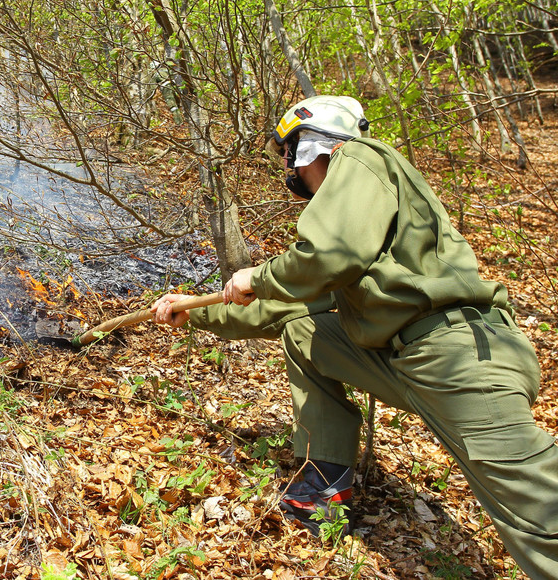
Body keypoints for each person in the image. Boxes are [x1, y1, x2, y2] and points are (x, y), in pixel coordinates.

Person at [151, 95, 558, 578]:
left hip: (459, 356)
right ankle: (324, 488)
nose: (294, 175)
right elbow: (286, 309)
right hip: (410, 361)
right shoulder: (365, 237)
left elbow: (323, 257)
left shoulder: (362, 158)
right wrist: (193, 315)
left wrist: (256, 275)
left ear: (314, 145)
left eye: (294, 159)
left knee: (539, 513)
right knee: (307, 333)